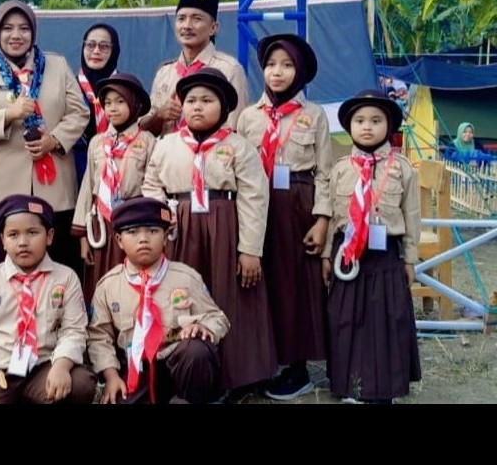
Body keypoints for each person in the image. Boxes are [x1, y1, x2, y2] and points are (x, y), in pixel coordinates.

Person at [141, 67, 277, 399]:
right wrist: (164, 216)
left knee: (230, 298)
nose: (197, 107)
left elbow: (255, 197)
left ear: (224, 107)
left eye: (207, 100)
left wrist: (250, 249)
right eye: (191, 101)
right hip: (181, 231)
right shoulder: (167, 145)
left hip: (226, 229)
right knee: (183, 297)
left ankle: (234, 377)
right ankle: (186, 372)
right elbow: (152, 184)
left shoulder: (239, 147)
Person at [0, 0, 89, 278]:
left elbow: (80, 113)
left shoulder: (57, 65)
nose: (15, 35)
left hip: (54, 189)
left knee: (56, 272)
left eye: (23, 28)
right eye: (7, 28)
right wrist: (9, 114)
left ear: (33, 32)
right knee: (2, 274)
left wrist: (54, 140)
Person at [236, 34, 333, 401]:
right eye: (271, 65)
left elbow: (326, 172)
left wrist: (322, 220)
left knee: (295, 284)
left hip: (297, 205)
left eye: (287, 65)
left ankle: (297, 367)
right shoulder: (249, 116)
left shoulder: (314, 115)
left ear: (301, 72)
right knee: (259, 281)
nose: (277, 72)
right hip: (255, 204)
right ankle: (261, 362)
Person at [321, 89, 422, 404]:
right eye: (360, 120)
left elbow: (412, 215)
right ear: (349, 126)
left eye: (376, 120)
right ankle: (349, 385)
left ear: (389, 126)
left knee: (386, 319)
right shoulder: (340, 168)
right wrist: (326, 255)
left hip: (386, 255)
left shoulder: (402, 168)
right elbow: (331, 216)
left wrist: (410, 259)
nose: (367, 126)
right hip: (348, 254)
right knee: (346, 318)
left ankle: (382, 389)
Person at [0, 194, 97, 404]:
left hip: (44, 366)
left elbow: (74, 330)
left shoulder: (65, 278)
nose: (23, 242)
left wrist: (62, 365)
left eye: (32, 233)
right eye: (13, 235)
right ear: (2, 240)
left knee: (80, 384)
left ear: (49, 236)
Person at [87, 196, 230, 404]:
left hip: (177, 365)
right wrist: (111, 376)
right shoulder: (108, 286)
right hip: (136, 367)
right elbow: (99, 336)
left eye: (153, 231)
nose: (143, 239)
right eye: (133, 232)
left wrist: (203, 328)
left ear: (165, 238)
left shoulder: (186, 278)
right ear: (119, 240)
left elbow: (218, 318)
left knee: (196, 351)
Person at [71, 72, 156, 305]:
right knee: (100, 277)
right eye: (107, 103)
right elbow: (88, 187)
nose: (112, 108)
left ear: (135, 105)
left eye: (120, 102)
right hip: (101, 224)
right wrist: (83, 236)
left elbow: (153, 187)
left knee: (132, 275)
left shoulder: (148, 141)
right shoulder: (97, 143)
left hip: (133, 220)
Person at [139, 0, 249, 138]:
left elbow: (234, 129)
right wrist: (160, 115)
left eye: (197, 19)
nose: (187, 26)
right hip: (165, 152)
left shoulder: (229, 69)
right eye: (181, 18)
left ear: (213, 28)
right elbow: (141, 132)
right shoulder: (165, 72)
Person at [72, 23, 122, 187]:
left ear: (114, 51)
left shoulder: (126, 88)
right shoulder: (68, 86)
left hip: (118, 169)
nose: (96, 51)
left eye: (104, 46)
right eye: (90, 45)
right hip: (75, 171)